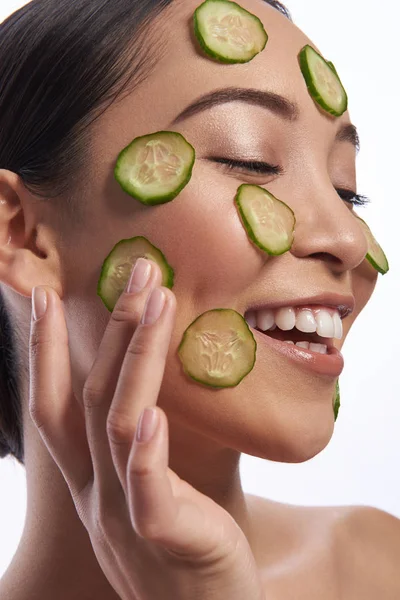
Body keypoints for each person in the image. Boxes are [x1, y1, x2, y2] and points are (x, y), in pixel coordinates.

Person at [0, 0, 399, 597]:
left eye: (348, 191)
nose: (347, 240)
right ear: (21, 233)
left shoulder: (378, 567)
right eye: (250, 159)